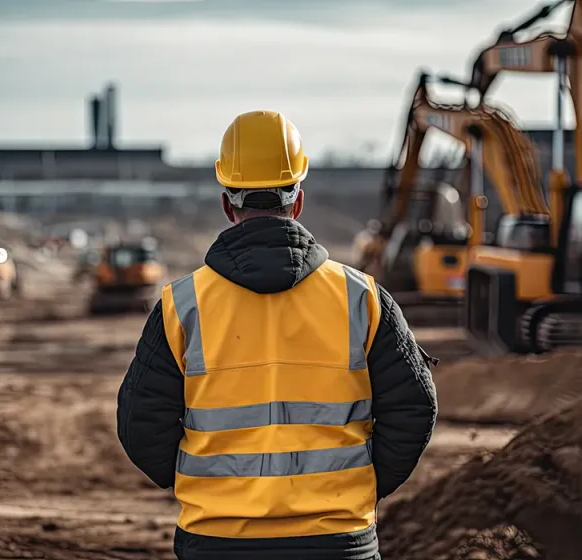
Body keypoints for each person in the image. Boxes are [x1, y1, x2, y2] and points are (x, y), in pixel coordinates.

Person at [116, 110, 438, 560]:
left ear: (229, 206)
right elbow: (414, 408)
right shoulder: (361, 299)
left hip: (217, 542)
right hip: (337, 542)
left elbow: (140, 425)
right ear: (298, 201)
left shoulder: (180, 305)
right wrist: (357, 486)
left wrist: (211, 491)